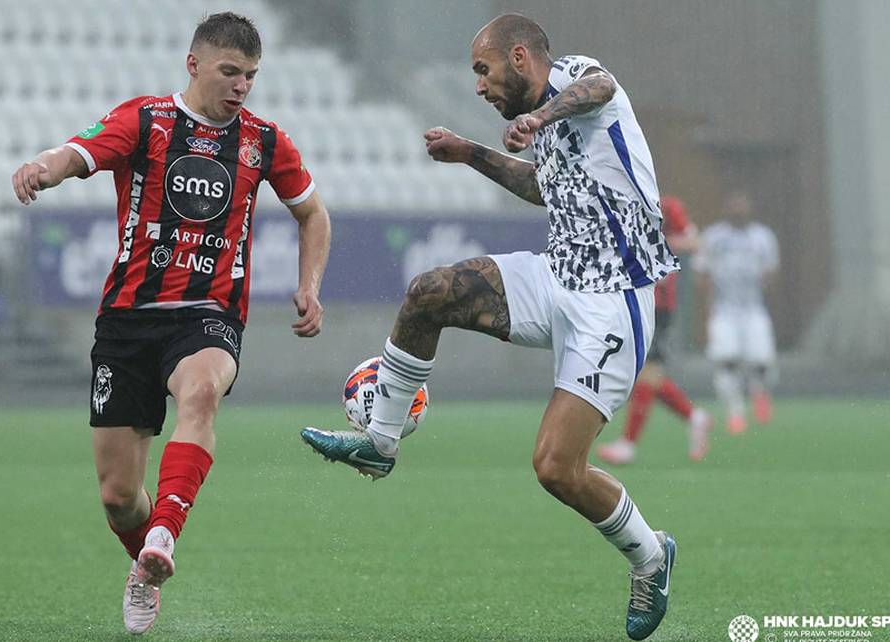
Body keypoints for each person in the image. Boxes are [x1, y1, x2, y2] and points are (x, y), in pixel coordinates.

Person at [302, 14, 678, 640]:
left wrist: (539, 118)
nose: (478, 84)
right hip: (557, 274)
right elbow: (544, 188)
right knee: (432, 292)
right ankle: (382, 441)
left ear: (522, 57)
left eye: (484, 69)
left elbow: (603, 87)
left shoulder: (577, 78)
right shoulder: (546, 126)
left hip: (614, 299)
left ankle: (651, 556)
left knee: (557, 469)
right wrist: (470, 152)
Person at [11, 12, 330, 635]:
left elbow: (313, 213)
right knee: (117, 495)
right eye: (230, 72)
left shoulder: (265, 141)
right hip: (128, 320)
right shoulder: (146, 119)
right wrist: (44, 168)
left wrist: (309, 286)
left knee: (203, 390)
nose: (241, 86)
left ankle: (166, 532)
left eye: (251, 76)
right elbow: (79, 152)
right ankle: (145, 564)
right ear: (194, 64)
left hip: (208, 315)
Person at [597, 195, 713, 465]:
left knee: (647, 374)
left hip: (658, 304)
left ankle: (628, 443)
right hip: (629, 299)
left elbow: (694, 242)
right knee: (646, 375)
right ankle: (694, 417)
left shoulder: (667, 206)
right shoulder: (615, 202)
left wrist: (654, 244)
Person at [695, 190, 778, 434]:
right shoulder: (714, 237)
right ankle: (736, 412)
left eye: (742, 207)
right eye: (734, 207)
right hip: (724, 308)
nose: (738, 211)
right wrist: (707, 312)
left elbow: (771, 271)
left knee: (760, 360)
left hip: (753, 308)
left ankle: (759, 392)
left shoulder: (763, 237)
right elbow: (703, 274)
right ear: (726, 209)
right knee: (726, 360)